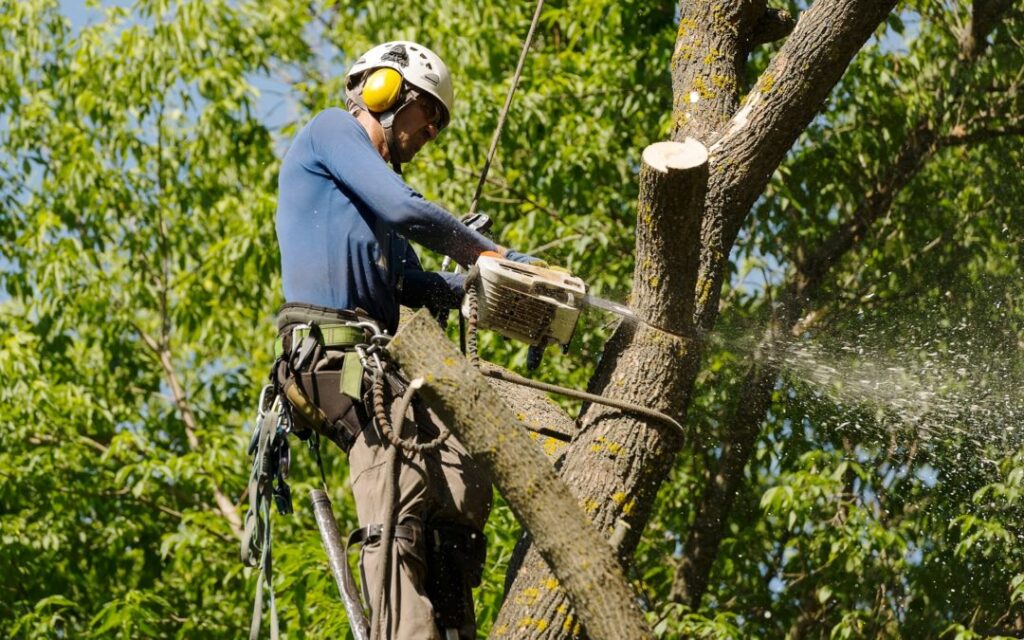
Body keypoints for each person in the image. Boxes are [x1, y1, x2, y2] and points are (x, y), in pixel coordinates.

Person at [273, 41, 535, 640]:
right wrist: (488, 255)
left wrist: (477, 280)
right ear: (388, 94)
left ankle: (451, 625)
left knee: (462, 475)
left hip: (379, 361)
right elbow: (403, 207)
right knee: (401, 481)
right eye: (429, 116)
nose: (430, 134)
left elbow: (417, 284)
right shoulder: (331, 133)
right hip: (334, 354)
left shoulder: (370, 208)